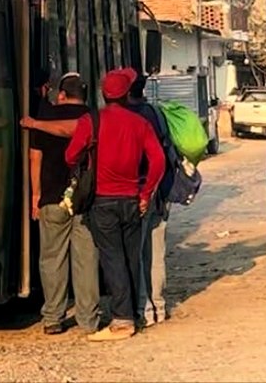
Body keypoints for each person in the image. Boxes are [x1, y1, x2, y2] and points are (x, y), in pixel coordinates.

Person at [63, 68, 165, 341]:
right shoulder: (139, 124)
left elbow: (70, 156)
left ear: (104, 93)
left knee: (112, 259)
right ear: (126, 93)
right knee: (131, 258)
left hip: (102, 201)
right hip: (132, 200)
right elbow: (158, 160)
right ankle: (133, 313)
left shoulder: (90, 122)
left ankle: (121, 321)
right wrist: (145, 194)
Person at [18, 73, 98, 335]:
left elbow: (34, 159)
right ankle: (88, 319)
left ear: (61, 95)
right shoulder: (93, 116)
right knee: (85, 259)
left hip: (52, 197)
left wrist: (35, 196)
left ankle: (53, 316)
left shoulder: (46, 117)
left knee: (52, 258)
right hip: (87, 200)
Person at [125, 72, 176, 327]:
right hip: (161, 189)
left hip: (140, 190)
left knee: (138, 250)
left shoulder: (129, 117)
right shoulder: (156, 113)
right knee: (157, 250)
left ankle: (144, 308)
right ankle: (159, 305)